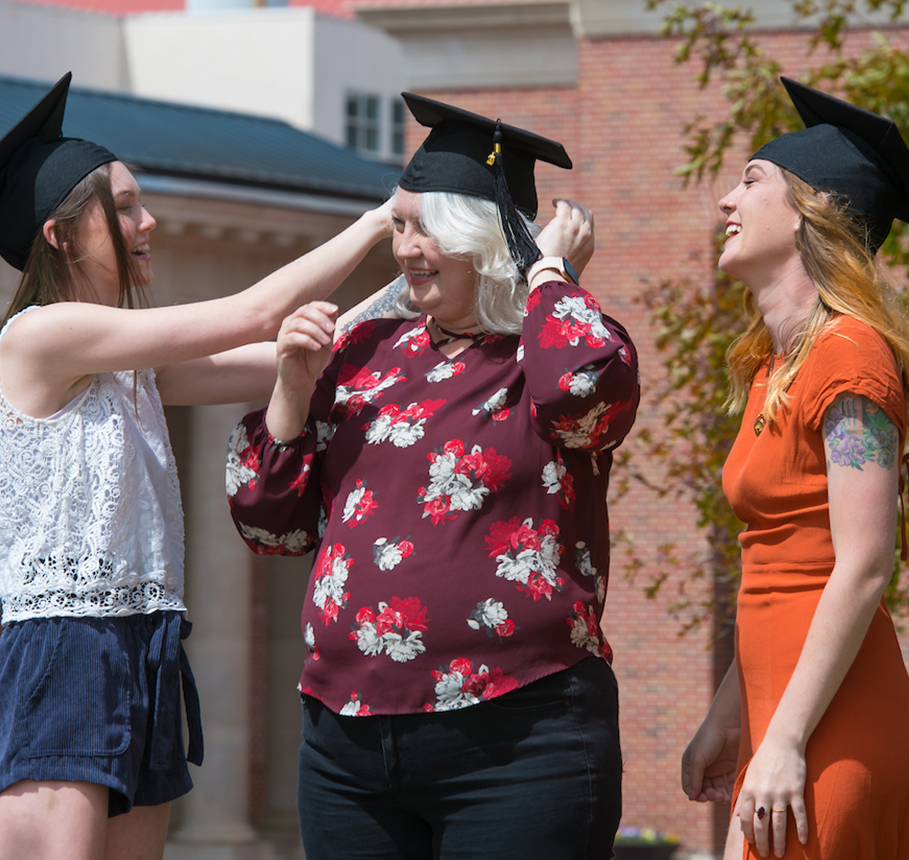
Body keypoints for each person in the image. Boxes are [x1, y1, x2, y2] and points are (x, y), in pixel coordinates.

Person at [0, 72, 395, 860]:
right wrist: (380, 218)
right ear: (61, 234)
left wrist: (418, 281)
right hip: (62, 651)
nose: (148, 220)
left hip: (143, 646)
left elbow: (291, 351)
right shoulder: (39, 336)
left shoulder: (130, 368)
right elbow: (259, 313)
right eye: (124, 206)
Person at [226, 94, 640, 860]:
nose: (404, 248)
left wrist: (548, 272)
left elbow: (586, 396)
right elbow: (268, 524)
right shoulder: (366, 352)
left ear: (482, 239)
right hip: (345, 746)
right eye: (399, 226)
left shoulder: (551, 348)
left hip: (518, 740)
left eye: (423, 228)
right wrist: (290, 384)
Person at [680, 78, 909, 859]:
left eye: (750, 181)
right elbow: (775, 563)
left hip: (832, 723)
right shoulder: (777, 364)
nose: (725, 201)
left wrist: (787, 738)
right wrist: (733, 714)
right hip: (781, 710)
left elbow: (863, 565)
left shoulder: (850, 356)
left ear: (812, 209)